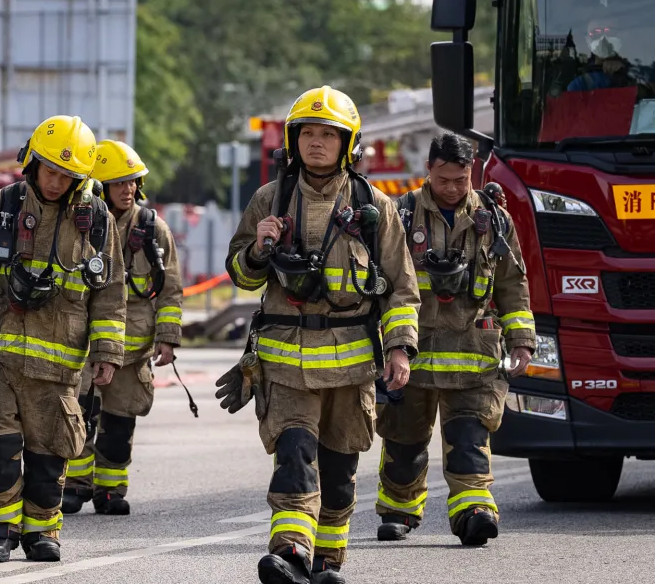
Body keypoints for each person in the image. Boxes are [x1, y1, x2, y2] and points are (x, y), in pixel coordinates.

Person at [219, 86, 421, 584]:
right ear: (293, 139)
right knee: (294, 455)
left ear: (346, 143)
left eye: (327, 134)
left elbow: (401, 288)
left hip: (351, 370)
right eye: (307, 132)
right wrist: (258, 251)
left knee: (338, 469)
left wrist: (400, 350)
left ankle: (327, 562)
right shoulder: (269, 199)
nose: (316, 142)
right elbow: (241, 276)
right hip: (285, 363)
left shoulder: (376, 207)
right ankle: (291, 551)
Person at [0, 115, 127, 563]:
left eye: (67, 176)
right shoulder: (0, 207)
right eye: (50, 170)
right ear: (32, 163)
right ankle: (1, 530)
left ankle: (43, 533)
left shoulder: (98, 222)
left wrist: (106, 351)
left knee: (51, 454)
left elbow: (110, 295)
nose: (56, 181)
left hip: (60, 367)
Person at [373, 133, 535, 547]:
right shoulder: (401, 215)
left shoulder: (494, 218)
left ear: (472, 171)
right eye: (444, 179)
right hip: (414, 352)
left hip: (473, 354)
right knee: (404, 441)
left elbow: (513, 284)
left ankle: (473, 511)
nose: (452, 188)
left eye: (461, 179)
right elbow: (384, 282)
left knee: (470, 439)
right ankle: (399, 511)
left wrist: (521, 340)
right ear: (428, 170)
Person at [60, 140, 184, 516]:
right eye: (119, 183)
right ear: (99, 186)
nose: (128, 189)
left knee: (119, 424)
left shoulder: (152, 230)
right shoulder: (80, 225)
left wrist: (167, 338)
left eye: (132, 182)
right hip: (83, 345)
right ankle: (75, 485)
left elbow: (170, 289)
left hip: (133, 348)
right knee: (77, 415)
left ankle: (110, 490)